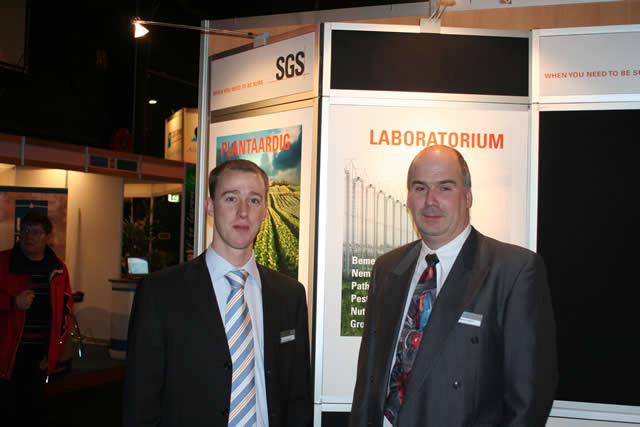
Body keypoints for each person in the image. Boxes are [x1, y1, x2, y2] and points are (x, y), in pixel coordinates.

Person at [349, 146, 557, 427]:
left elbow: (529, 399)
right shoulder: (387, 268)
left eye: (444, 188)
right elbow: (368, 379)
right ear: (408, 197)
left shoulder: (513, 271)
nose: (430, 201)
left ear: (468, 196)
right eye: (420, 188)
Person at [123, 159, 312, 427]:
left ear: (264, 211)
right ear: (210, 206)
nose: (243, 212)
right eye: (231, 198)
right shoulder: (160, 294)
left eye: (254, 200)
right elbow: (139, 402)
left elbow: (298, 398)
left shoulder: (290, 295)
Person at [0, 210, 73, 425]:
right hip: (6, 355)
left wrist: (53, 353)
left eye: (35, 232)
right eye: (24, 231)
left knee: (31, 414)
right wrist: (13, 303)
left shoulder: (58, 269)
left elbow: (65, 314)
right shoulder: (3, 263)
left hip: (38, 358)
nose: (28, 236)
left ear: (48, 237)